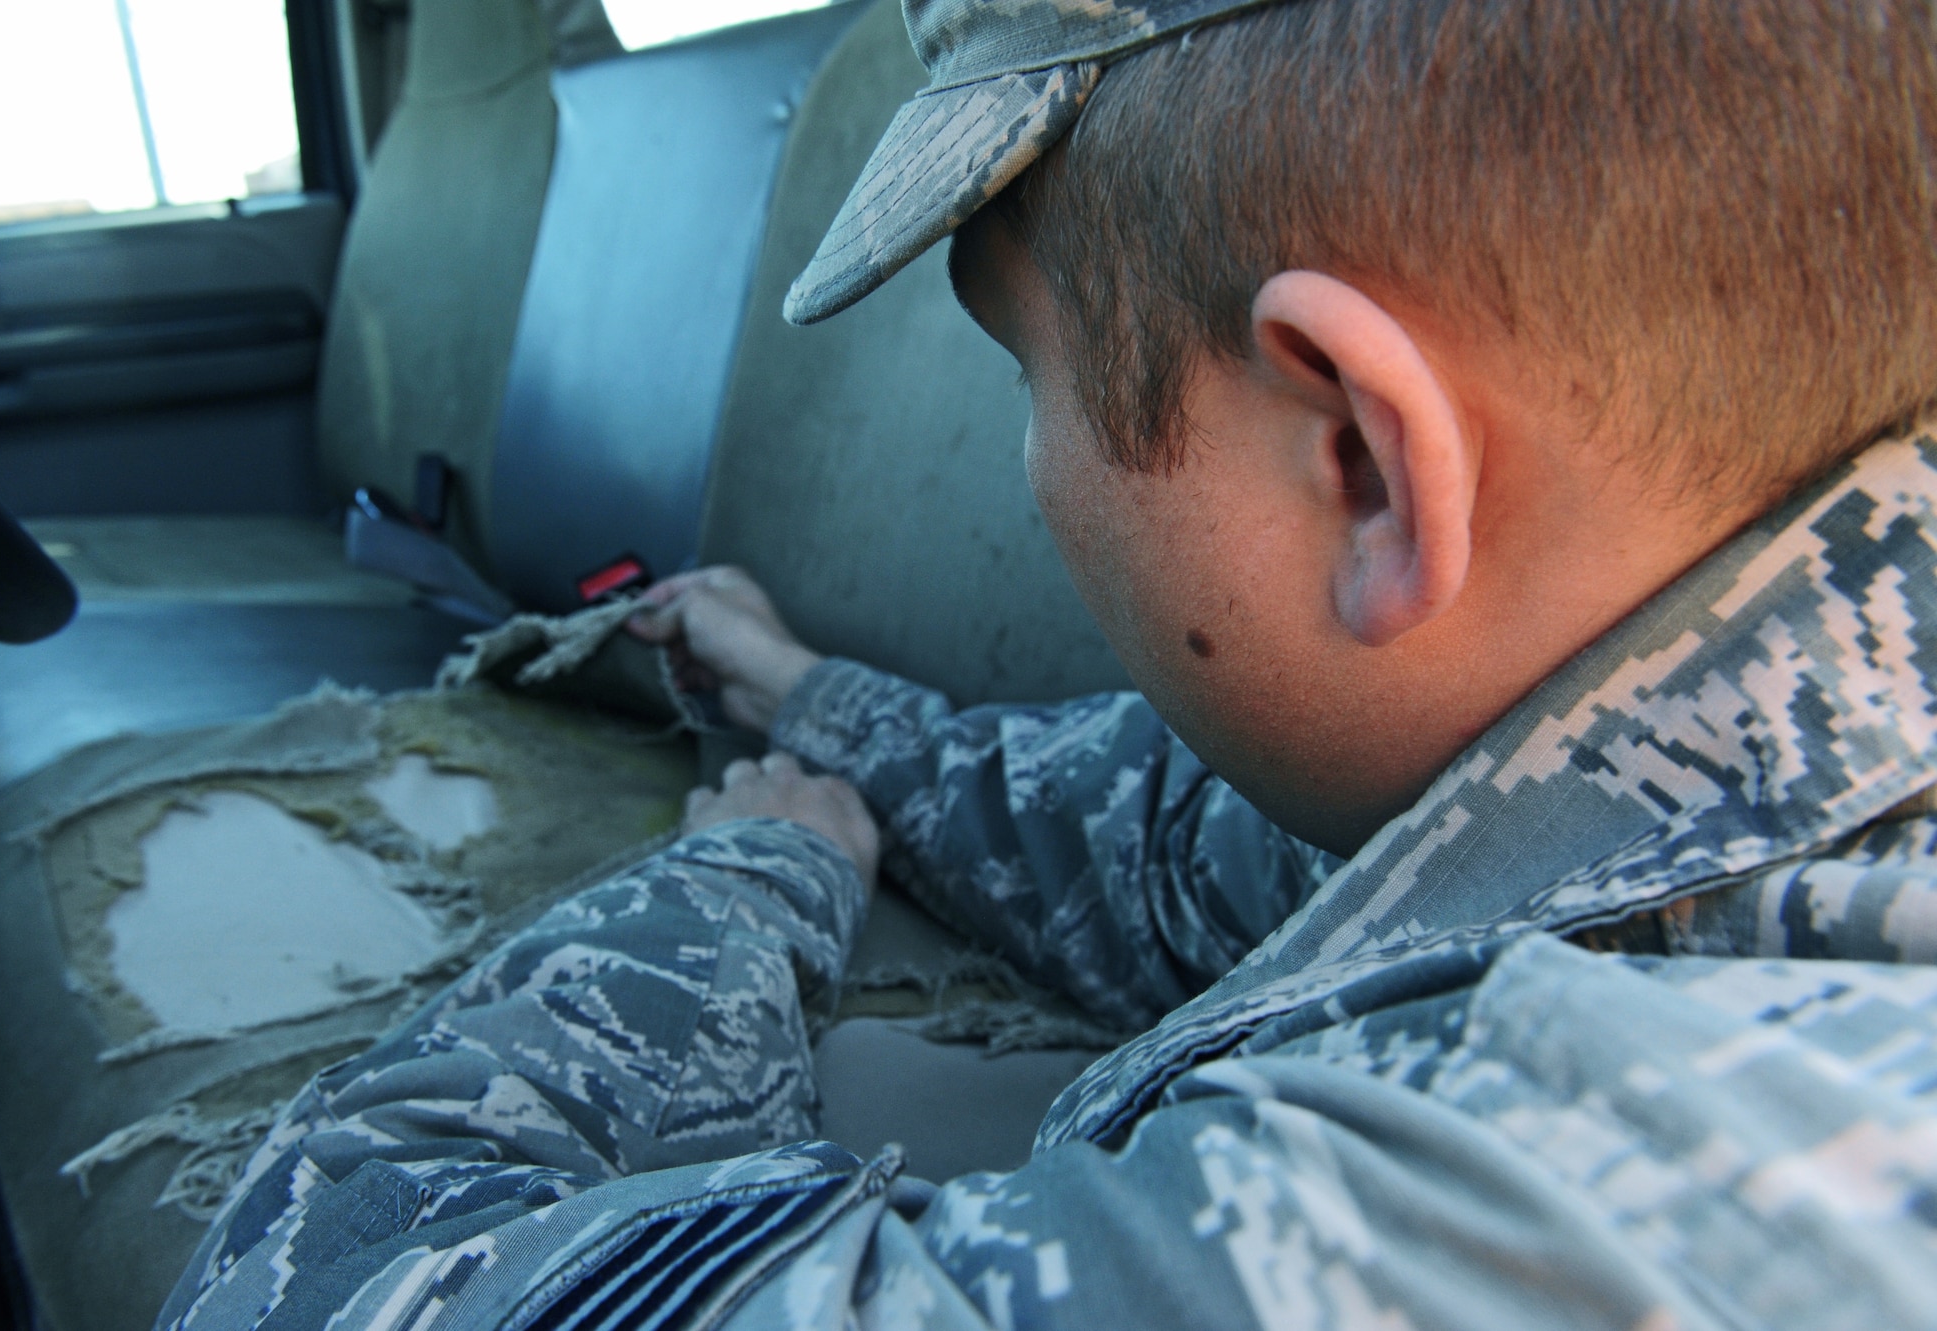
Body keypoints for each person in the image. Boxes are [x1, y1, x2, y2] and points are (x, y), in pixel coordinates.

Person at [159, 1, 1937, 1327]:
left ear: (1363, 463)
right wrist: (809, 705)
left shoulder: (1597, 1193)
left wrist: (743, 878)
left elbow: (313, 1276)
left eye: (1027, 371)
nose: (1035, 466)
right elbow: (1207, 852)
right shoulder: (1774, 700)